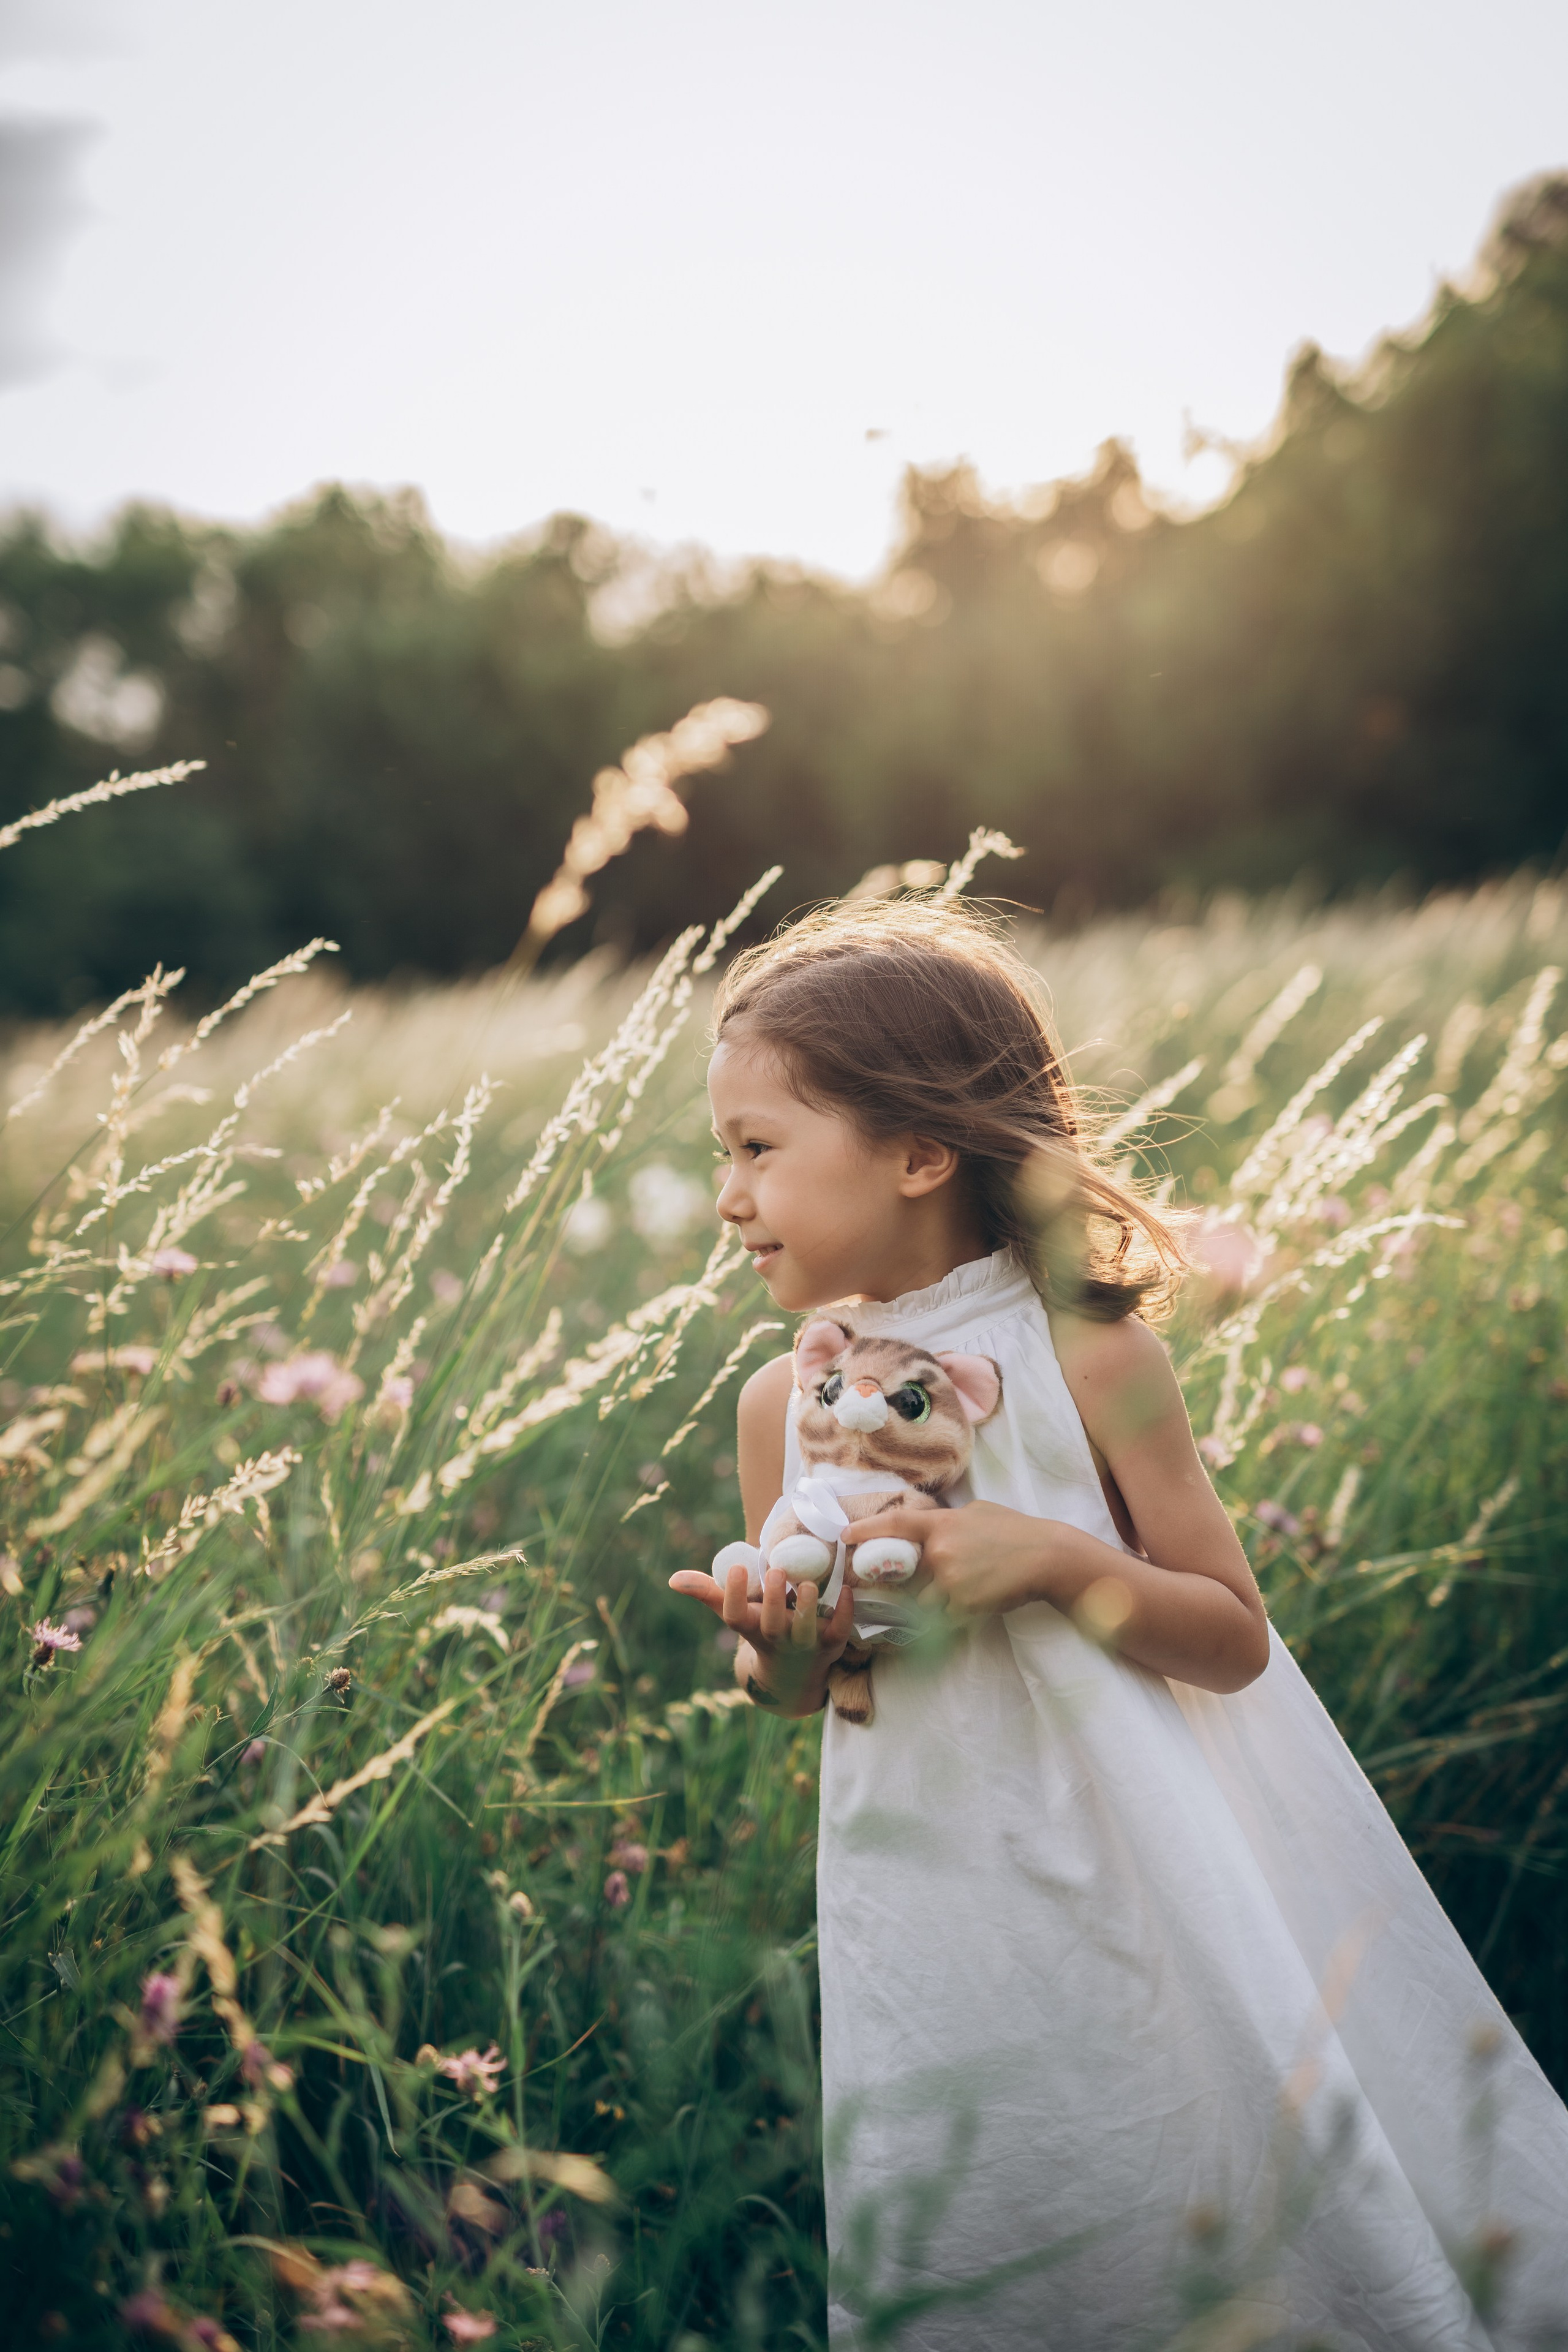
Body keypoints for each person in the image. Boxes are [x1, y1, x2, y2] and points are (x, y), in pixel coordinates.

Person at [668, 895, 1568, 2352]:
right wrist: (777, 1647)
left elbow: (1228, 1634)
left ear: (917, 1150)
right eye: (724, 1155)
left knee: (1175, 2121)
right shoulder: (784, 1400)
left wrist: (1045, 1557)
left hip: (1145, 1861)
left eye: (756, 1148)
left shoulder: (1086, 1353)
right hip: (935, 1884)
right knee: (997, 2165)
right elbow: (800, 1690)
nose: (727, 1196)